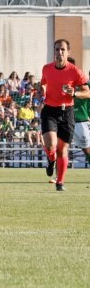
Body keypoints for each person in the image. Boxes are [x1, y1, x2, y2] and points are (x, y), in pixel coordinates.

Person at [40, 39, 90, 191]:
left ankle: (60, 183)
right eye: (57, 49)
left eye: (62, 49)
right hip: (49, 110)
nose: (59, 52)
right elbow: (43, 83)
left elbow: (87, 92)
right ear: (53, 51)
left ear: (68, 52)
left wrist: (75, 93)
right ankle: (51, 159)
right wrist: (41, 89)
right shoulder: (46, 69)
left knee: (63, 149)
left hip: (67, 111)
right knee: (51, 145)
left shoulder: (75, 71)